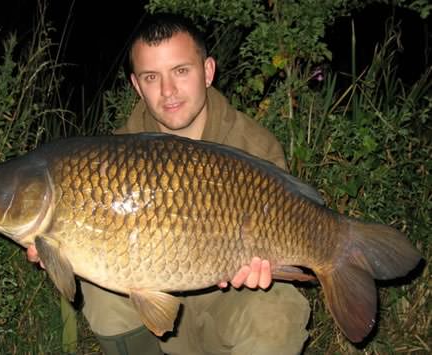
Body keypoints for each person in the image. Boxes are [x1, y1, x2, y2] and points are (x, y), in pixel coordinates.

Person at [27, 12, 310, 355]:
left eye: (181, 71)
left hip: (231, 303)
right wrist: (59, 249)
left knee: (279, 315)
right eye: (151, 77)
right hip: (152, 310)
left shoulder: (254, 146)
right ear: (136, 86)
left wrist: (265, 267)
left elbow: (286, 230)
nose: (168, 91)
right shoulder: (111, 158)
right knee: (99, 292)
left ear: (207, 71)